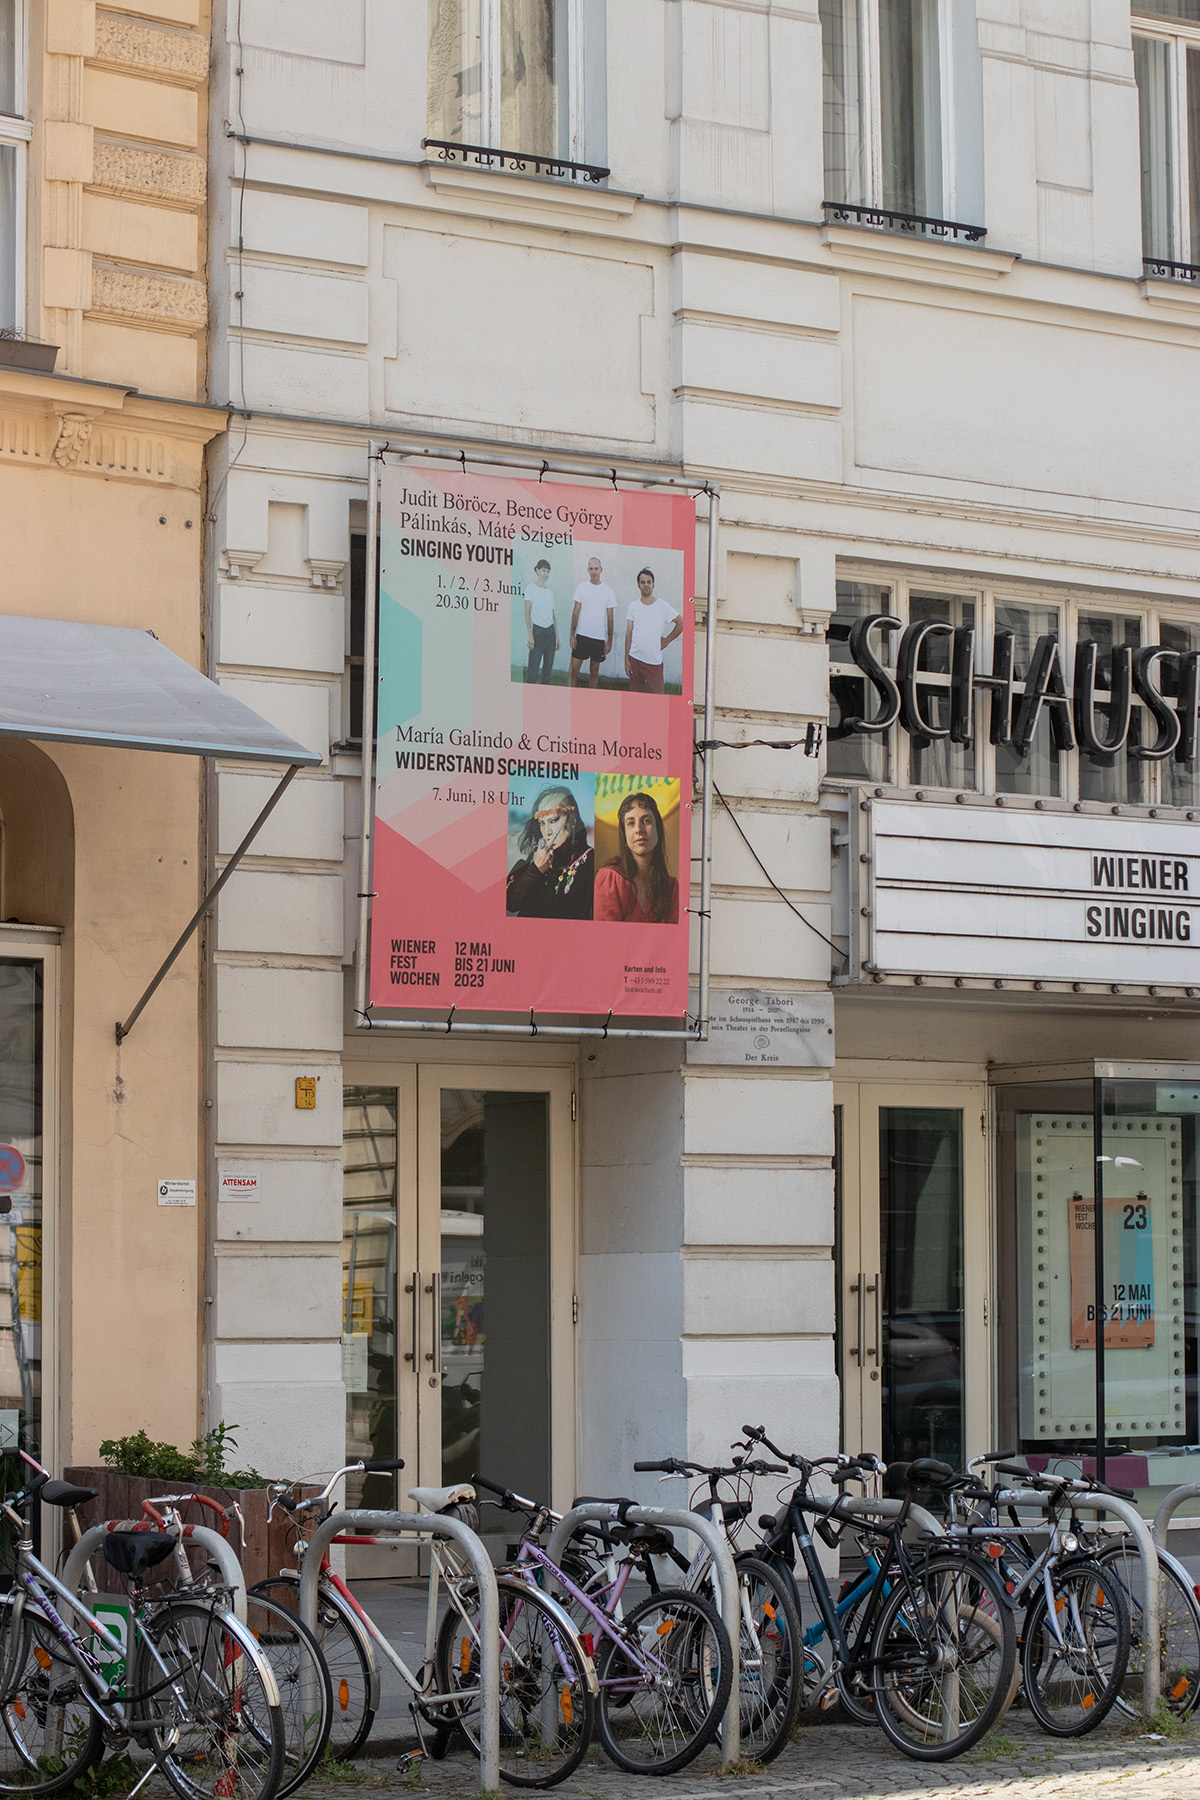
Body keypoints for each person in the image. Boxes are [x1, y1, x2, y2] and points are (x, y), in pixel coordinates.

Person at [506, 786, 594, 919]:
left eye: (553, 821)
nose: (547, 831)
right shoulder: (536, 856)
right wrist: (534, 870)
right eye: (542, 823)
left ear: (572, 819)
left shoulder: (591, 862)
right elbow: (510, 904)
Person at [594, 790, 678, 923]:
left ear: (658, 830)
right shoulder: (610, 879)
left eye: (646, 821)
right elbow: (606, 939)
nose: (639, 829)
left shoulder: (671, 888)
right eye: (631, 823)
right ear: (624, 835)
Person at [624, 568, 682, 694]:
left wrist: (666, 641)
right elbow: (629, 632)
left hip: (653, 661)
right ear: (638, 585)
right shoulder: (633, 606)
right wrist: (626, 659)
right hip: (634, 658)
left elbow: (680, 622)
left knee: (657, 697)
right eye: (643, 582)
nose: (646, 585)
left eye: (648, 582)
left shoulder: (662, 606)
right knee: (635, 698)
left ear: (653, 585)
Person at [569, 557, 616, 688]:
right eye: (591, 569)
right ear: (587, 570)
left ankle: (591, 701)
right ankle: (570, 698)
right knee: (573, 671)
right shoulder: (581, 588)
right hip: (582, 636)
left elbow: (610, 618)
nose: (594, 571)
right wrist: (572, 635)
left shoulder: (608, 592)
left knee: (594, 672)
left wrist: (609, 641)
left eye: (596, 568)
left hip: (598, 638)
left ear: (601, 570)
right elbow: (575, 613)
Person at [523, 558, 558, 684]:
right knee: (532, 673)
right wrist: (530, 635)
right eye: (543, 570)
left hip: (551, 634)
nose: (546, 574)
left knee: (547, 675)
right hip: (537, 633)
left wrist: (557, 637)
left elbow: (553, 616)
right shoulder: (530, 588)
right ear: (537, 570)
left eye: (548, 571)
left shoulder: (550, 593)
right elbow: (526, 613)